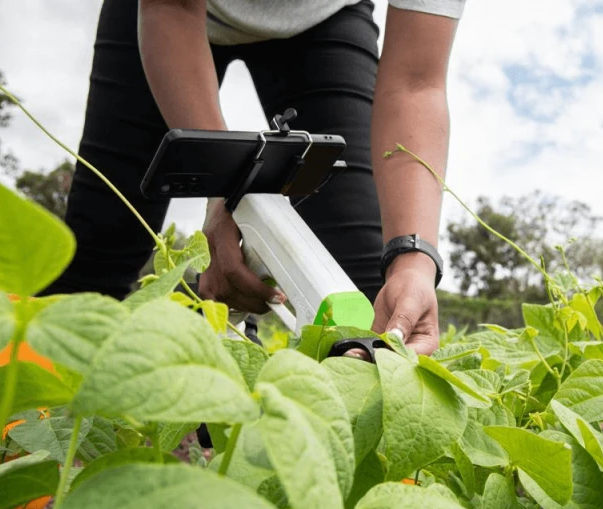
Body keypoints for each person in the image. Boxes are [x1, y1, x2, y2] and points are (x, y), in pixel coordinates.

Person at [41, 0, 463, 355]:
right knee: (98, 252)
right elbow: (171, 7)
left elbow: (415, 82)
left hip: (323, 18)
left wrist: (414, 260)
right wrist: (224, 196)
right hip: (169, 13)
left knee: (371, 299)